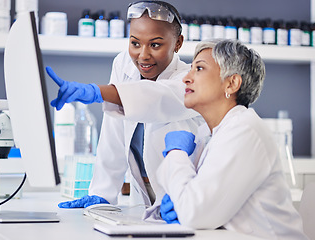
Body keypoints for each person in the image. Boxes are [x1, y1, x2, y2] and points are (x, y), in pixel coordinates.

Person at [47, 1, 202, 215]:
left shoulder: (191, 79)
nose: (143, 55)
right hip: (144, 194)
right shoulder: (124, 65)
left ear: (178, 43)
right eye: (135, 43)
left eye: (155, 45)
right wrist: (103, 192)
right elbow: (113, 132)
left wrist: (97, 92)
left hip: (184, 192)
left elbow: (155, 98)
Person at [156, 39, 309, 239]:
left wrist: (176, 154)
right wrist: (175, 202)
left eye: (199, 68)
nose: (186, 78)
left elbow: (194, 212)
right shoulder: (208, 134)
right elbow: (194, 203)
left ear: (232, 83)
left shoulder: (245, 130)